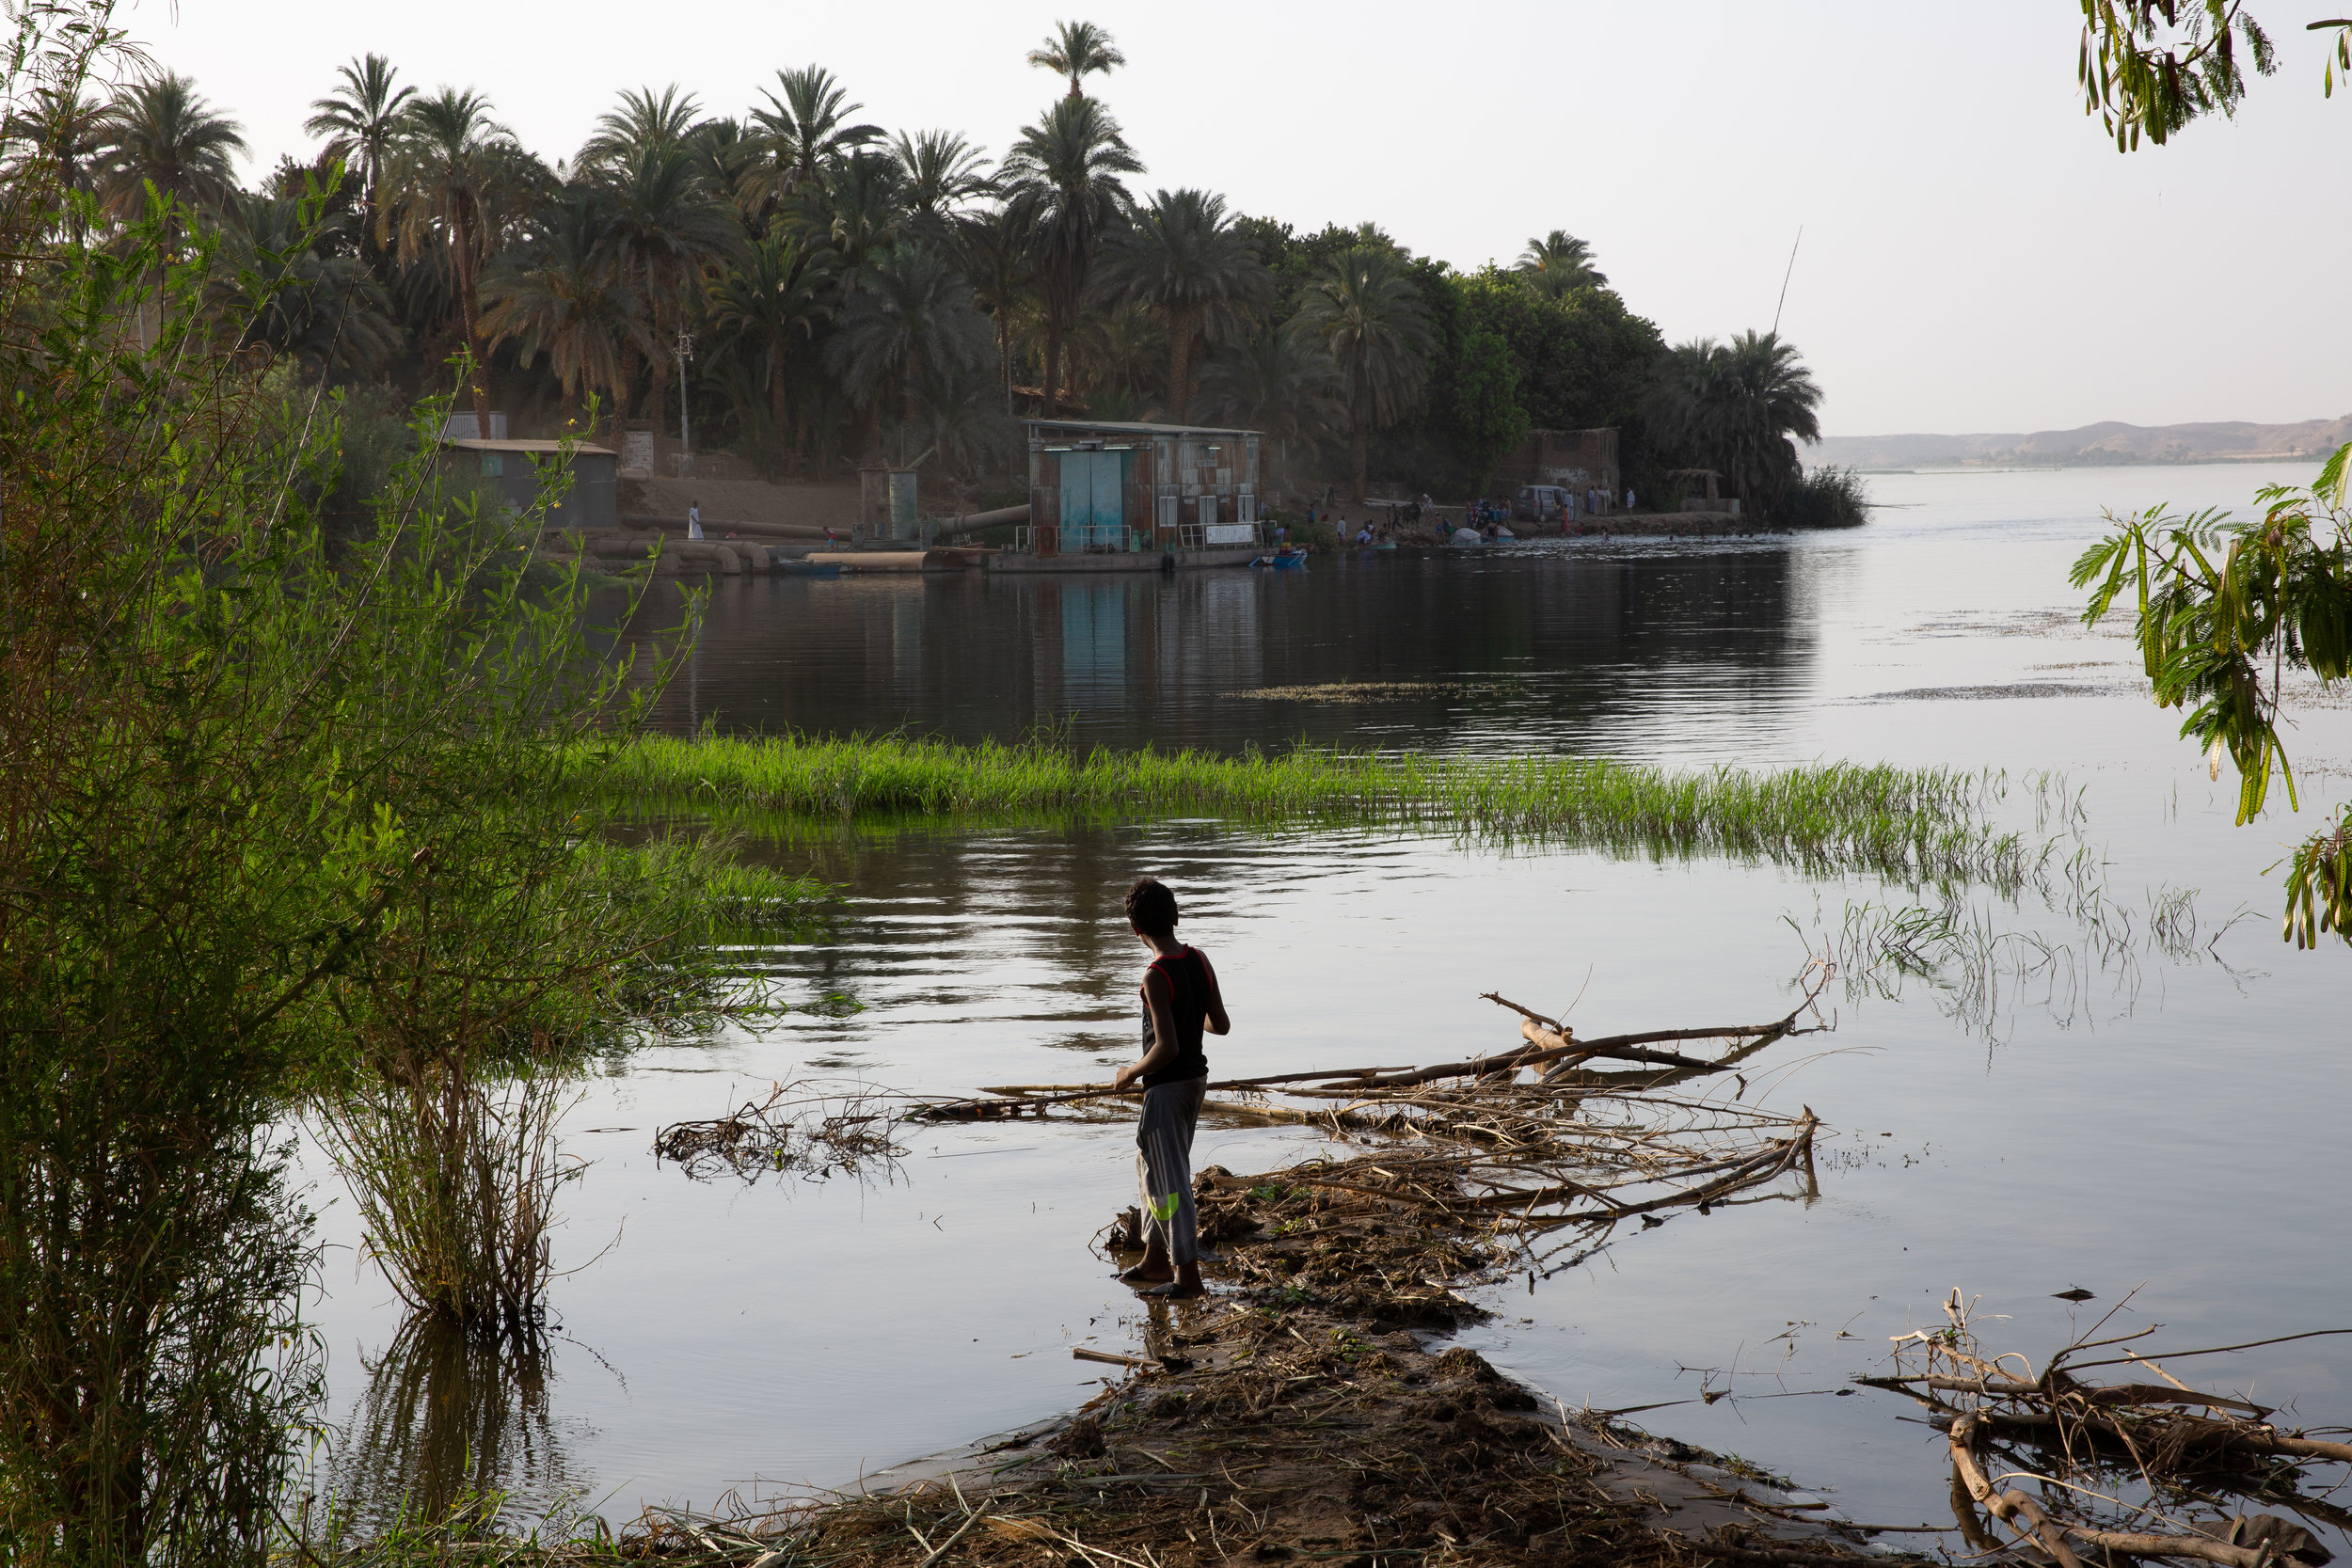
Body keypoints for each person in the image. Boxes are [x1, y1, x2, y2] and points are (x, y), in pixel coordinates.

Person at [1112, 877, 1230, 1300]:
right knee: (1152, 1172)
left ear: (1134, 929)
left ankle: (1188, 1278)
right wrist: (1187, 1010)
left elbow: (1165, 1049)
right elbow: (1220, 1024)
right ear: (1175, 916)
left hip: (1166, 1089)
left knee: (1173, 1181)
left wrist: (1128, 1073)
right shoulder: (1198, 959)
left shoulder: (1155, 975)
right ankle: (1155, 1258)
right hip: (1194, 1082)